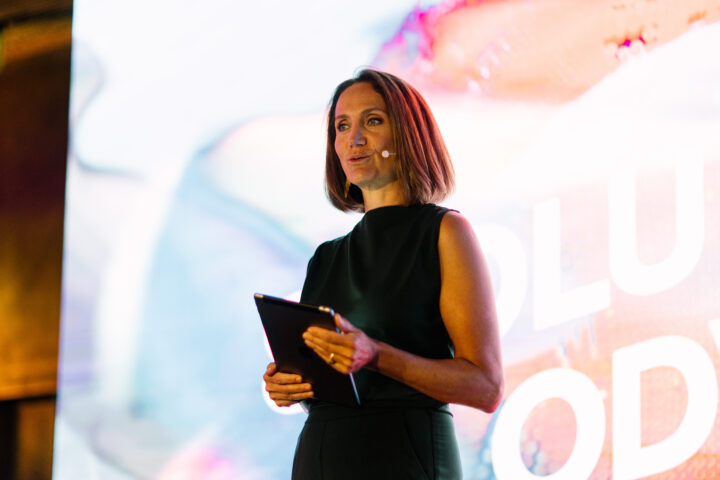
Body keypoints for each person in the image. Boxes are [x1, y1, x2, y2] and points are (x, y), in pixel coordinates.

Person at [262, 69, 503, 479]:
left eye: (372, 121)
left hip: (404, 457)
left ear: (407, 134)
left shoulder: (444, 231)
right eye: (342, 126)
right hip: (321, 458)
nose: (354, 138)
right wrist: (292, 385)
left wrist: (376, 355)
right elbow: (332, 381)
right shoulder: (325, 258)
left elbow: (486, 387)